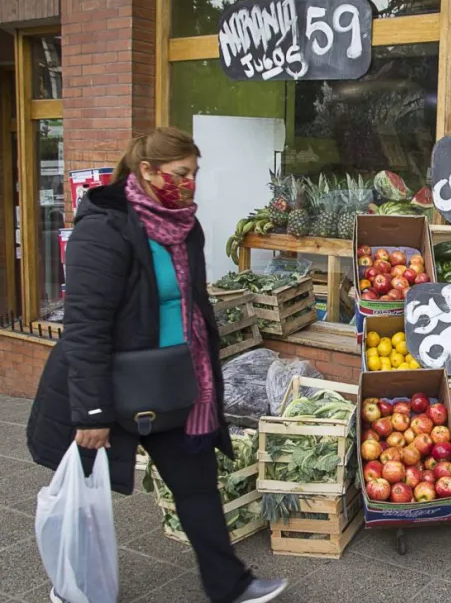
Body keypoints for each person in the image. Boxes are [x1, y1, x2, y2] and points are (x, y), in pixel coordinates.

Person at [27, 127, 286, 603]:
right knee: (83, 498)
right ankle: (73, 587)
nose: (190, 184)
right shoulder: (104, 227)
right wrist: (90, 414)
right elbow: (85, 327)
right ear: (146, 170)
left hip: (172, 384)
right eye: (180, 174)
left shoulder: (184, 224)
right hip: (111, 390)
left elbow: (191, 305)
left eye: (194, 174)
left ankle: (230, 586)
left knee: (197, 485)